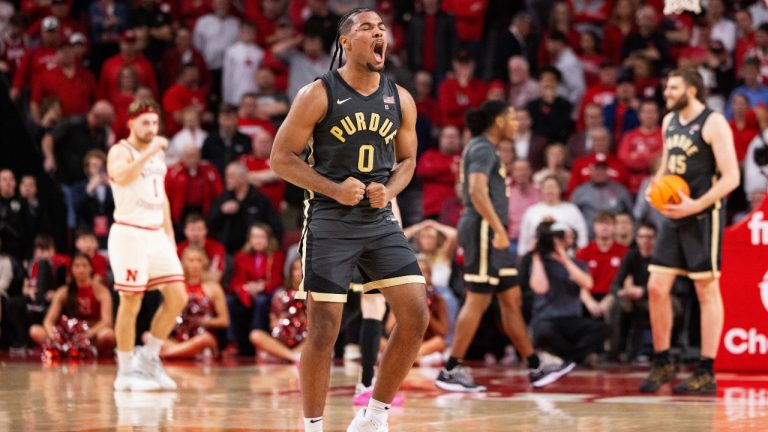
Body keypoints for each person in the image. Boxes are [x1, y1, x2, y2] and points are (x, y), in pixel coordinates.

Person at [269, 8, 428, 432]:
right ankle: (313, 426)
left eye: (382, 28)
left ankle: (374, 415)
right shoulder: (317, 94)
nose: (378, 34)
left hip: (378, 220)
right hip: (328, 219)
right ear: (345, 41)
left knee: (415, 315)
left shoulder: (401, 98)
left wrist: (390, 191)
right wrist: (333, 188)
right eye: (366, 28)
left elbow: (409, 160)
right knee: (324, 330)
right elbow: (280, 158)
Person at [434, 101, 572, 393]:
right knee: (478, 299)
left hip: (490, 232)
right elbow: (475, 192)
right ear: (497, 121)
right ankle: (450, 369)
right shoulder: (482, 148)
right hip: (484, 230)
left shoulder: (485, 149)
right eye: (511, 117)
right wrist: (498, 229)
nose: (516, 123)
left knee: (511, 300)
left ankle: (535, 366)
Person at [640, 69, 740, 395]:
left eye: (673, 88)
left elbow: (731, 178)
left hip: (703, 215)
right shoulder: (670, 121)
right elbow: (668, 163)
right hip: (673, 213)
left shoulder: (714, 123)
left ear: (693, 90)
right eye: (666, 86)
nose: (666, 92)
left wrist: (695, 205)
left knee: (706, 291)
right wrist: (655, 185)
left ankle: (706, 371)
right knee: (656, 287)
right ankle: (662, 360)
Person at [107, 100, 189, 392]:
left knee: (178, 297)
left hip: (156, 233)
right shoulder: (120, 151)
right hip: (129, 233)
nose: (152, 129)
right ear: (131, 123)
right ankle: (125, 370)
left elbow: (162, 197)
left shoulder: (156, 157)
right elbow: (121, 176)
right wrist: (151, 151)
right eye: (145, 123)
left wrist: (169, 235)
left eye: (155, 124)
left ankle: (149, 357)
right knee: (131, 301)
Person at [521, 220, 609, 368]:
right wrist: (536, 255)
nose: (563, 241)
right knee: (544, 332)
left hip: (572, 319)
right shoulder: (539, 262)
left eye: (567, 237)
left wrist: (564, 259)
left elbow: (588, 284)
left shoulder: (577, 263)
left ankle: (568, 359)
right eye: (560, 237)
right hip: (546, 319)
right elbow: (540, 288)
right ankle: (576, 357)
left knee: (604, 329)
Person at [29, 253, 115, 356]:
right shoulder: (64, 291)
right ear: (72, 270)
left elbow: (107, 321)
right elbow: (49, 320)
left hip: (92, 332)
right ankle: (64, 349)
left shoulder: (101, 291)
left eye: (84, 266)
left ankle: (89, 350)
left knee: (108, 335)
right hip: (69, 334)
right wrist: (53, 333)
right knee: (35, 331)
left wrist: (90, 333)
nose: (81, 270)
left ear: (91, 268)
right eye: (77, 266)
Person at [154, 246, 229, 359]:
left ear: (204, 263)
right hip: (179, 339)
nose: (195, 264)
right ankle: (184, 352)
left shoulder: (213, 287)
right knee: (148, 336)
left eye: (199, 260)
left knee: (205, 339)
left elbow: (224, 321)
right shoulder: (176, 287)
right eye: (191, 260)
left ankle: (166, 354)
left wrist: (203, 322)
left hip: (202, 339)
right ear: (184, 263)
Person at [228, 223, 285, 354]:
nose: (257, 240)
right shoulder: (241, 256)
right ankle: (232, 342)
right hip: (245, 293)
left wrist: (261, 287)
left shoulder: (276, 256)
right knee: (230, 301)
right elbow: (236, 280)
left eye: (261, 237)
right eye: (254, 237)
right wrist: (246, 288)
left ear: (268, 239)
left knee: (261, 301)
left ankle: (258, 341)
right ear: (249, 239)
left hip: (267, 292)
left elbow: (277, 280)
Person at [249, 257, 307, 363]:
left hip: (304, 340)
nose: (299, 273)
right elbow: (273, 320)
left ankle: (288, 355)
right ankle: (292, 356)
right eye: (295, 269)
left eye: (302, 268)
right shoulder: (280, 294)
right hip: (282, 341)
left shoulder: (312, 296)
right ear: (290, 273)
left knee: (320, 338)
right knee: (255, 335)